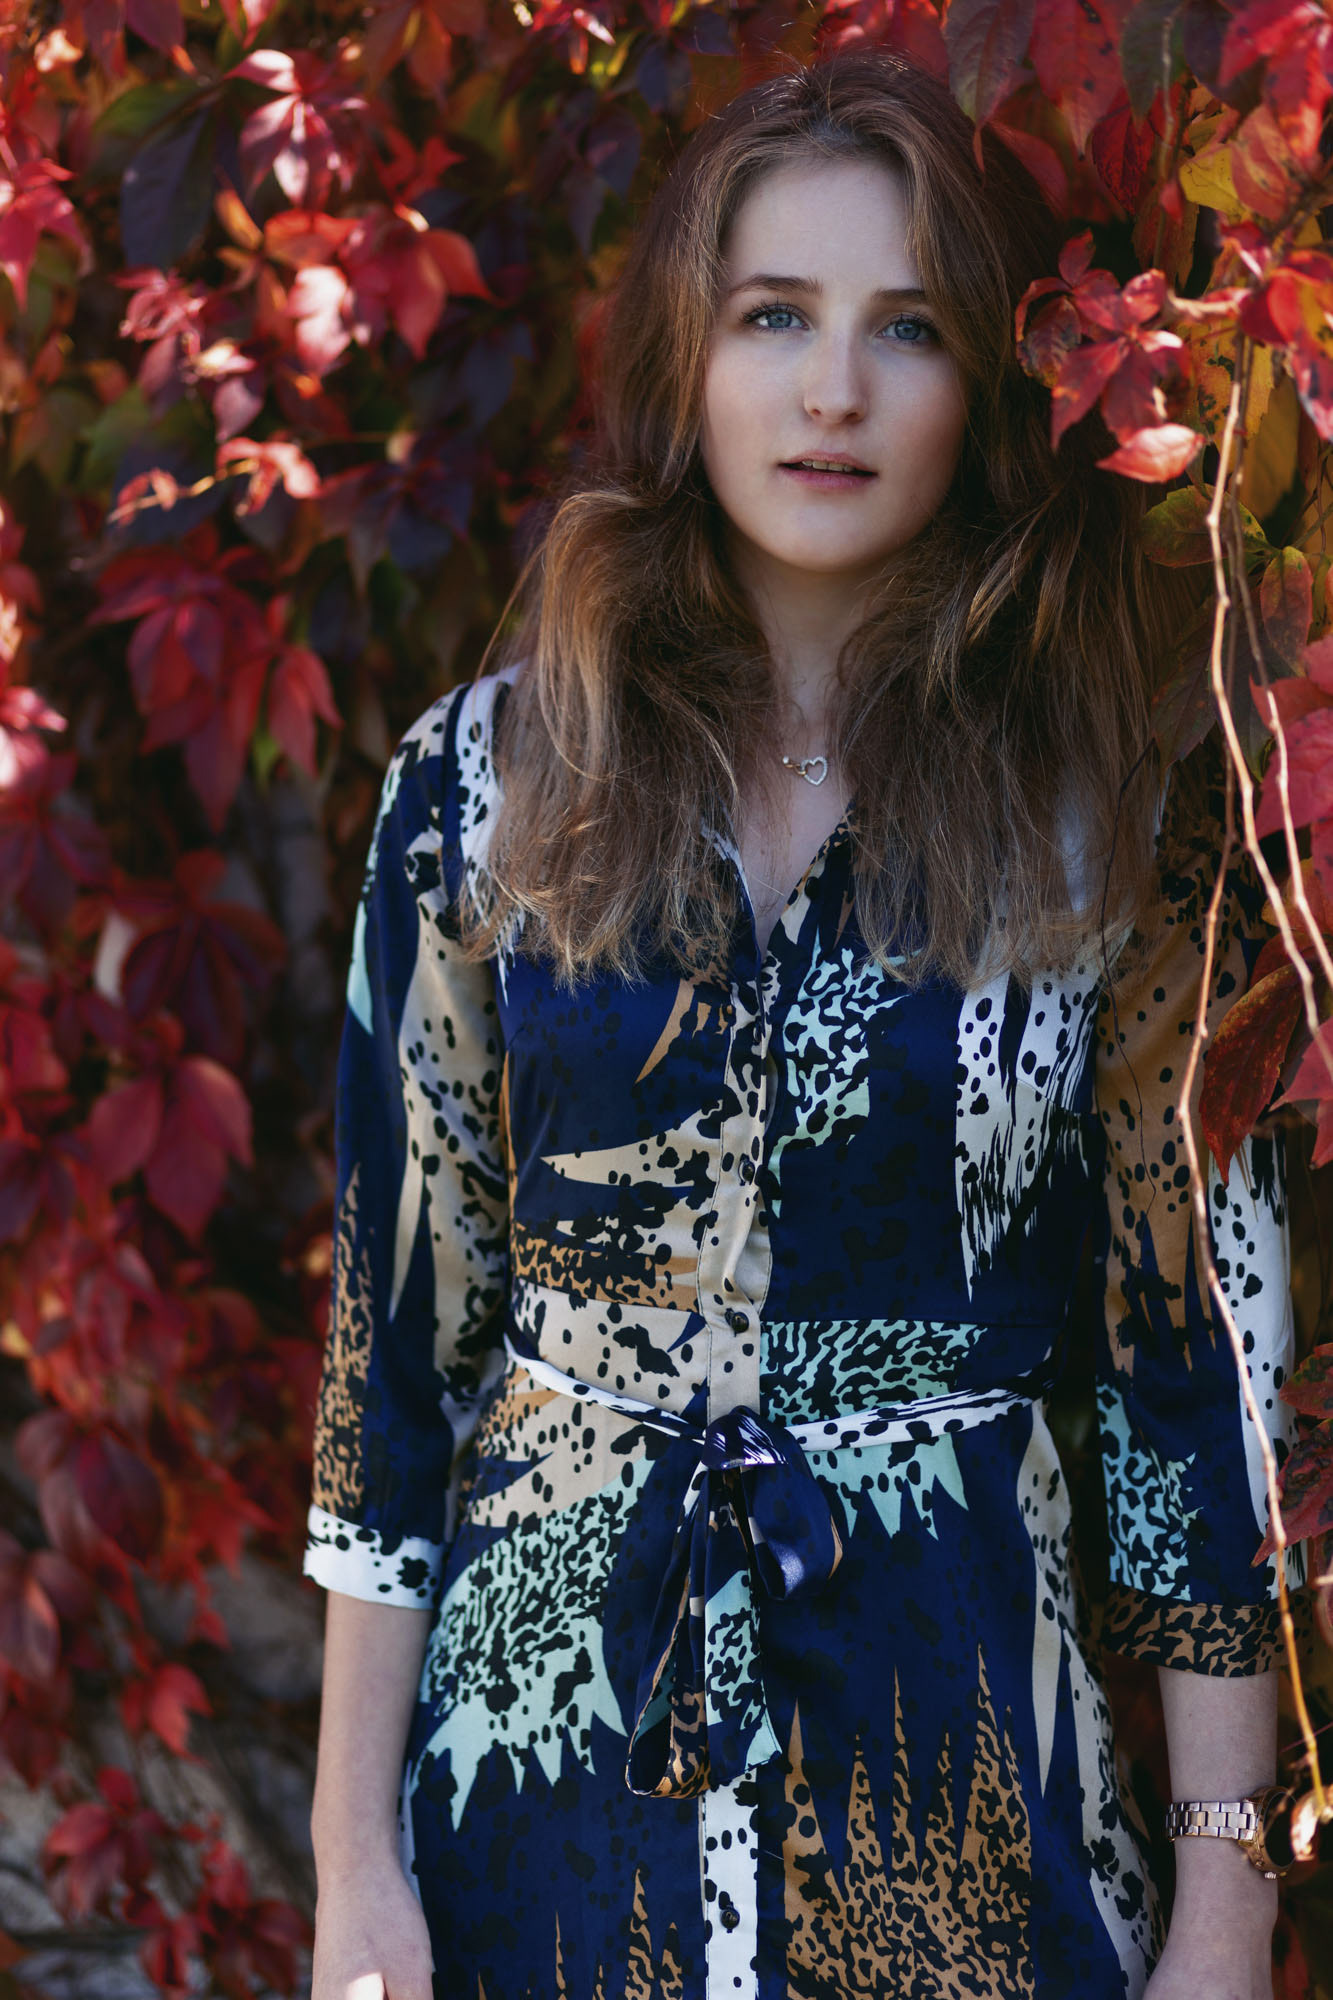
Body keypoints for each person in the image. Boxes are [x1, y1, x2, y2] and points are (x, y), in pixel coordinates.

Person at [304, 48, 1302, 2000]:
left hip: (970, 1796)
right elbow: (394, 1358)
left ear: (983, 388)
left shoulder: (1109, 813)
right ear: (686, 354)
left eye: (903, 327)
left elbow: (1195, 1366)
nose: (830, 388)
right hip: (538, 1809)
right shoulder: (482, 786)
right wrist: (355, 1865)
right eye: (773, 314)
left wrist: (1225, 1894)